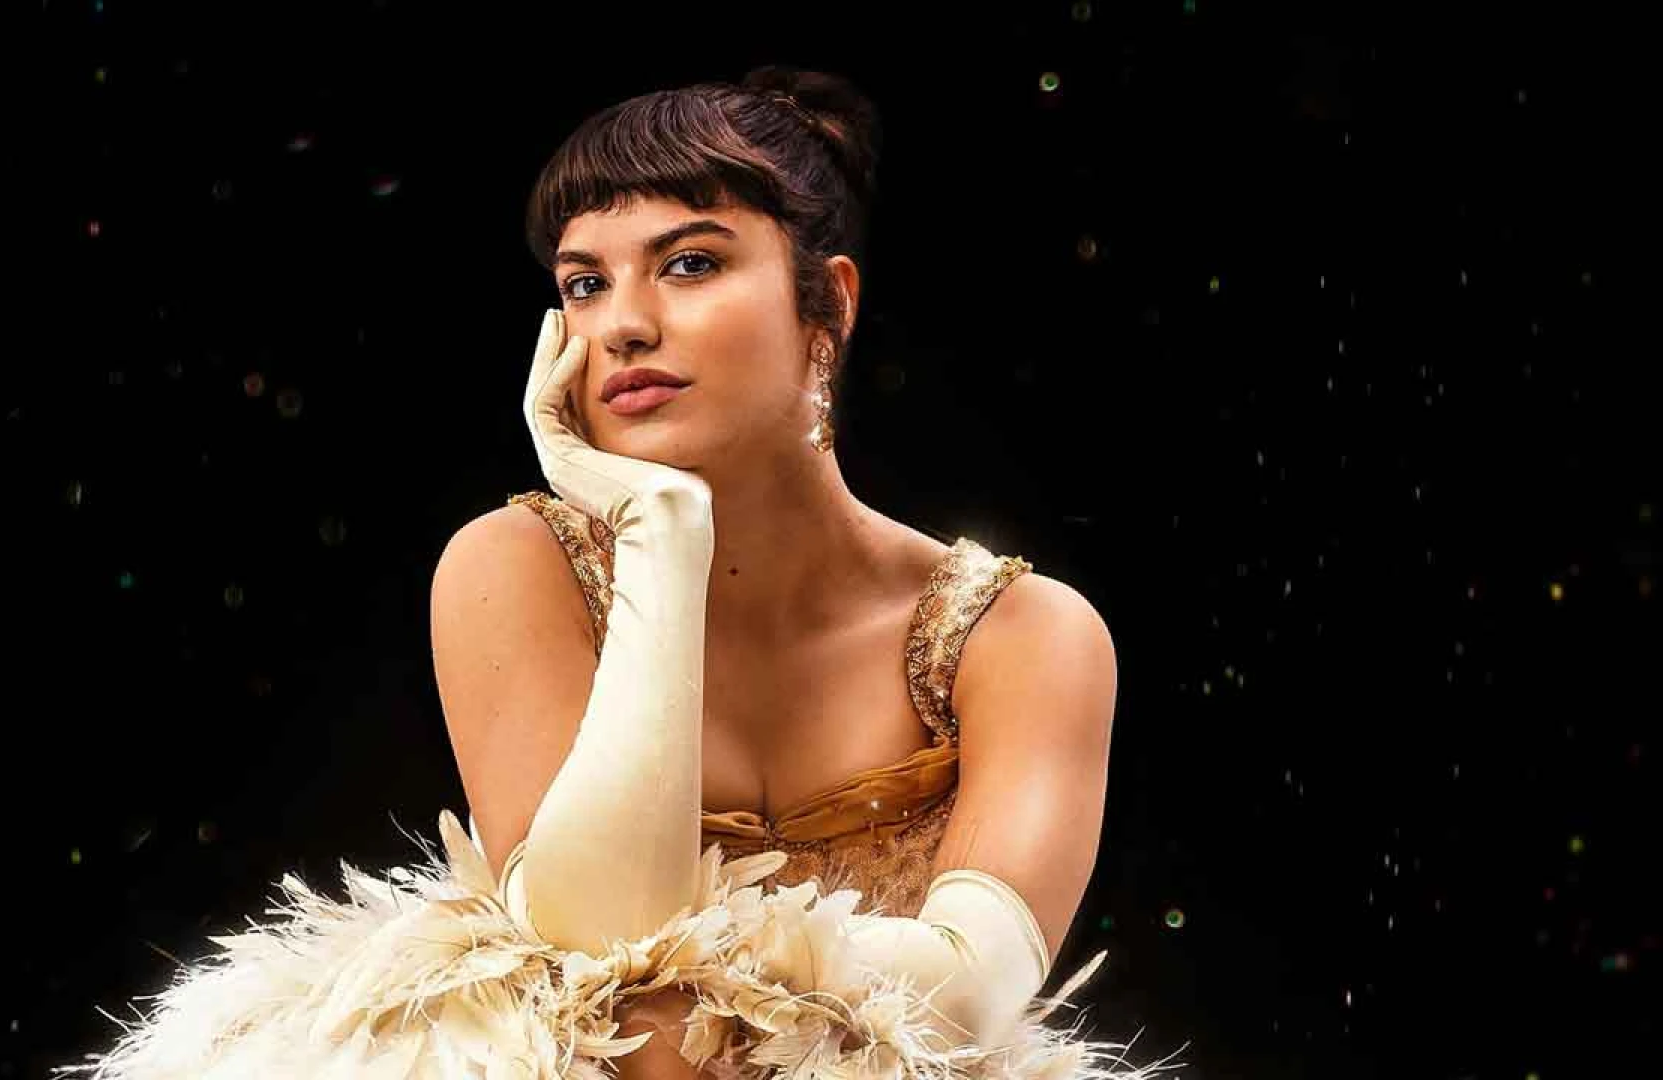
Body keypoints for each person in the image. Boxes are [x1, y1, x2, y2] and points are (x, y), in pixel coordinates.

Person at [57, 66, 1177, 1080]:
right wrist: (661, 536)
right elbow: (598, 937)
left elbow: (967, 996)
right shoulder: (514, 565)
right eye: (585, 284)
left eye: (691, 264)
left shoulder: (1022, 634)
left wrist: (702, 1000)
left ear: (829, 303)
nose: (625, 325)